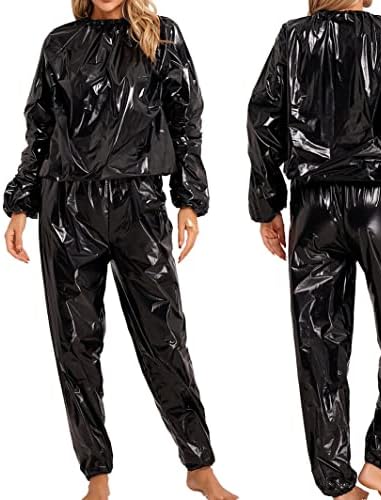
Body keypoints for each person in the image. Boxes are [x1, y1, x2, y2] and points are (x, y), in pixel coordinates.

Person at [3, 1, 238, 500]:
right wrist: (21, 204)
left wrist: (189, 199)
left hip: (139, 203)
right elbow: (39, 128)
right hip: (68, 206)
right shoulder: (60, 43)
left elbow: (186, 119)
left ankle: (199, 464)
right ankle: (97, 476)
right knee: (75, 343)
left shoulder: (161, 36)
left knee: (164, 336)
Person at [247, 0, 381, 499]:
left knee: (319, 346)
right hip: (379, 205)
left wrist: (268, 205)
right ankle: (377, 462)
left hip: (313, 209)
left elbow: (263, 120)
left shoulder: (292, 37)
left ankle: (339, 485)